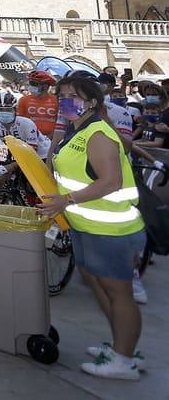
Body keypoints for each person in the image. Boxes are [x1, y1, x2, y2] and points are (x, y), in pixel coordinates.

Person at [38, 73, 146, 381]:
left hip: (112, 229)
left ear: (92, 102)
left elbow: (110, 182)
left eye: (71, 96)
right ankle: (120, 346)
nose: (64, 102)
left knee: (118, 291)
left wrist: (66, 199)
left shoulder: (98, 133)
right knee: (98, 284)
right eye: (61, 97)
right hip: (86, 224)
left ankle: (125, 360)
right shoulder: (76, 131)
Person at [19, 69, 59, 139]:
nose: (31, 86)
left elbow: (60, 123)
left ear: (45, 86)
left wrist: (50, 138)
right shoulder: (24, 100)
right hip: (28, 138)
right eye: (30, 83)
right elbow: (20, 121)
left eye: (34, 84)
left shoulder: (57, 100)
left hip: (51, 139)